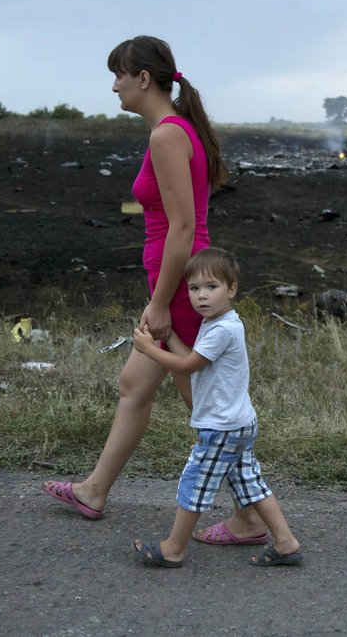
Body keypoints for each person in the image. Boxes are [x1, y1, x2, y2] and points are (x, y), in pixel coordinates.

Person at [41, 35, 267, 544]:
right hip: (172, 284)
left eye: (119, 74)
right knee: (134, 386)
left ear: (144, 79)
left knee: (210, 413)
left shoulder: (167, 135)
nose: (114, 85)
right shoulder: (178, 129)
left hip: (180, 290)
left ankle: (252, 518)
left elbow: (183, 228)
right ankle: (94, 490)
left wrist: (162, 302)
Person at [131, 247, 303, 567]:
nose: (202, 296)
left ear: (232, 289)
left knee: (194, 482)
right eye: (194, 288)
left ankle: (173, 549)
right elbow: (192, 357)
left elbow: (187, 366)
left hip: (221, 427)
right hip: (238, 422)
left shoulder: (222, 329)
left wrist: (148, 348)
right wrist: (167, 337)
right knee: (249, 483)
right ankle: (286, 542)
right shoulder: (220, 322)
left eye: (212, 287)